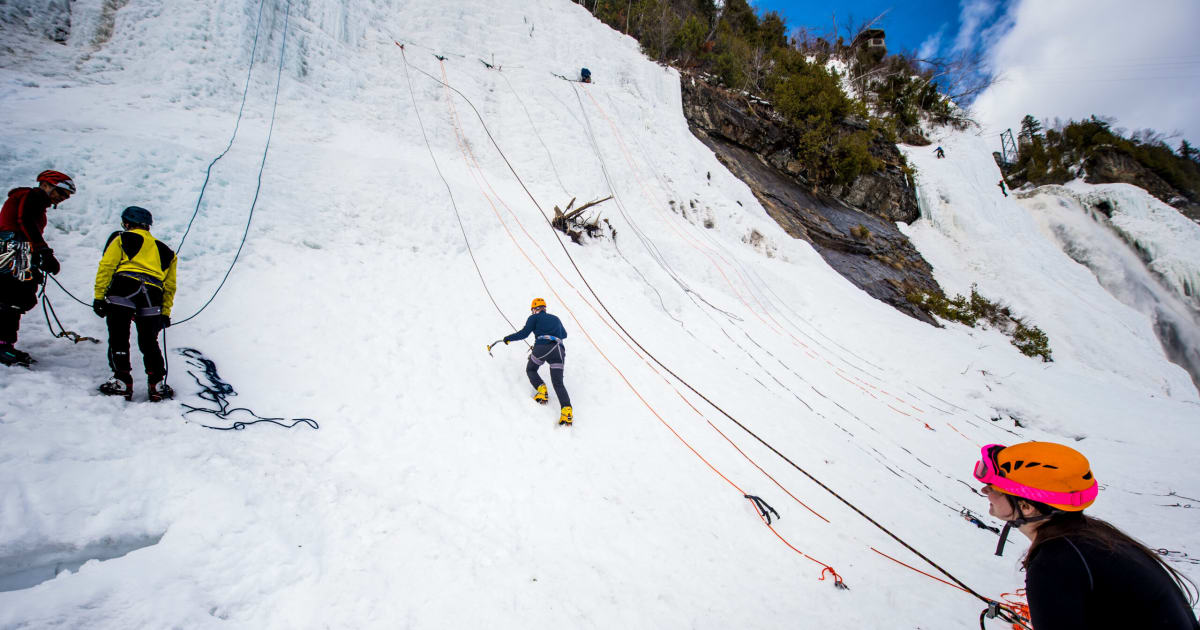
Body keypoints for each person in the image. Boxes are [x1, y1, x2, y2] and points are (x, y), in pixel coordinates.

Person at [973, 442, 1199, 629]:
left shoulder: (1055, 564)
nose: (986, 491)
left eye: (993, 487)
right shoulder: (1091, 538)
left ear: (1026, 506)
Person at [93, 206, 177, 402]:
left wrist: (99, 297)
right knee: (149, 341)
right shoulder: (167, 252)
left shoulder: (122, 239)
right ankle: (157, 384)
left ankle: (122, 381)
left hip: (124, 287)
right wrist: (165, 312)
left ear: (128, 223)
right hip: (153, 293)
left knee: (119, 335)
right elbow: (170, 286)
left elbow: (107, 267)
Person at [0, 169, 76, 366]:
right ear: (46, 185)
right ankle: (2, 346)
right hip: (15, 247)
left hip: (15, 248)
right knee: (13, 296)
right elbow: (24, 222)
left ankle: (5, 344)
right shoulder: (32, 196)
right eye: (61, 192)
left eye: (66, 196)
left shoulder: (31, 200)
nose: (63, 198)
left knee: (14, 295)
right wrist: (43, 251)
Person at [501, 298, 572, 425]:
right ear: (544, 308)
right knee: (558, 383)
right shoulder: (556, 318)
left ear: (535, 309)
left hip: (542, 347)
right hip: (559, 350)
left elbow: (524, 333)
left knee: (531, 369)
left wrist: (508, 338)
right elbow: (564, 334)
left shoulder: (534, 318)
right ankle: (567, 412)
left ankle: (542, 391)